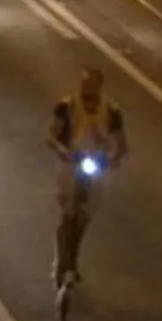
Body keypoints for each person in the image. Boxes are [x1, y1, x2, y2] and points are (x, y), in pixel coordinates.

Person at [49, 66, 128, 300]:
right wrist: (63, 150)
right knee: (67, 213)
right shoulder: (67, 105)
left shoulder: (111, 110)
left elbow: (122, 144)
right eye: (84, 84)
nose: (87, 89)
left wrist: (113, 159)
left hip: (95, 166)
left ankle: (73, 260)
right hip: (71, 164)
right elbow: (52, 135)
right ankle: (62, 262)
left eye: (92, 85)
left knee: (84, 217)